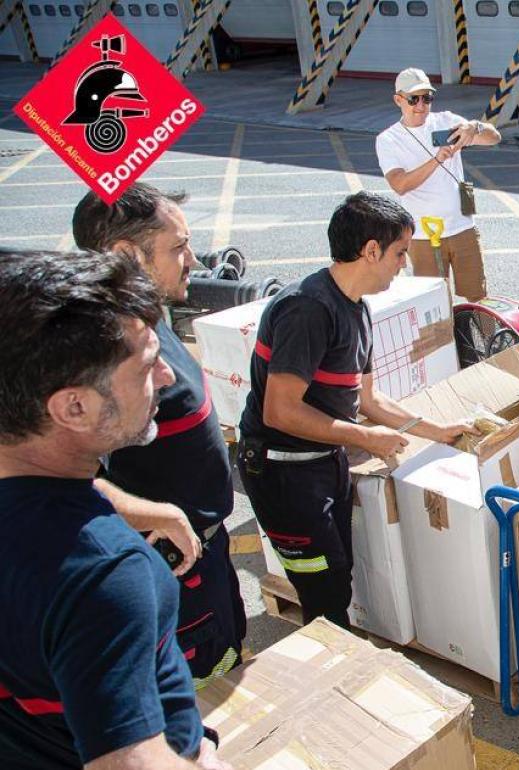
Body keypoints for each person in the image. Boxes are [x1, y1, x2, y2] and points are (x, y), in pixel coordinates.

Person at [0, 249, 228, 769]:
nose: (168, 378)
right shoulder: (105, 575)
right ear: (73, 407)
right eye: (148, 365)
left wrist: (148, 510)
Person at [237, 192, 474, 628]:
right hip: (283, 474)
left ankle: (338, 656)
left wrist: (437, 431)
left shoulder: (358, 309)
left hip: (324, 462)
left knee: (338, 576)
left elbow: (367, 399)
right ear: (370, 250)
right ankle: (329, 675)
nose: (404, 263)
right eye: (400, 252)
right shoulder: (307, 309)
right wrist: (366, 437)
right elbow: (280, 412)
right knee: (323, 593)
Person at [72, 183, 247, 690]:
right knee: (201, 700)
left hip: (205, 557)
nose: (193, 259)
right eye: (178, 248)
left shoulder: (148, 314)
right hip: (173, 576)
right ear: (127, 254)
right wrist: (157, 515)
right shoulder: (102, 351)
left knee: (229, 669)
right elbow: (53, 476)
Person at [376, 67, 501, 302]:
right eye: (414, 99)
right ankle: (445, 340)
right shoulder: (388, 139)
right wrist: (436, 160)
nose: (421, 105)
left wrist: (476, 126)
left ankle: (481, 337)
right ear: (398, 100)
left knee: (478, 296)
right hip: (424, 235)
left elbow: (494, 138)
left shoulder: (447, 121)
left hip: (462, 227)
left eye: (427, 98)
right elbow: (400, 184)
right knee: (433, 303)